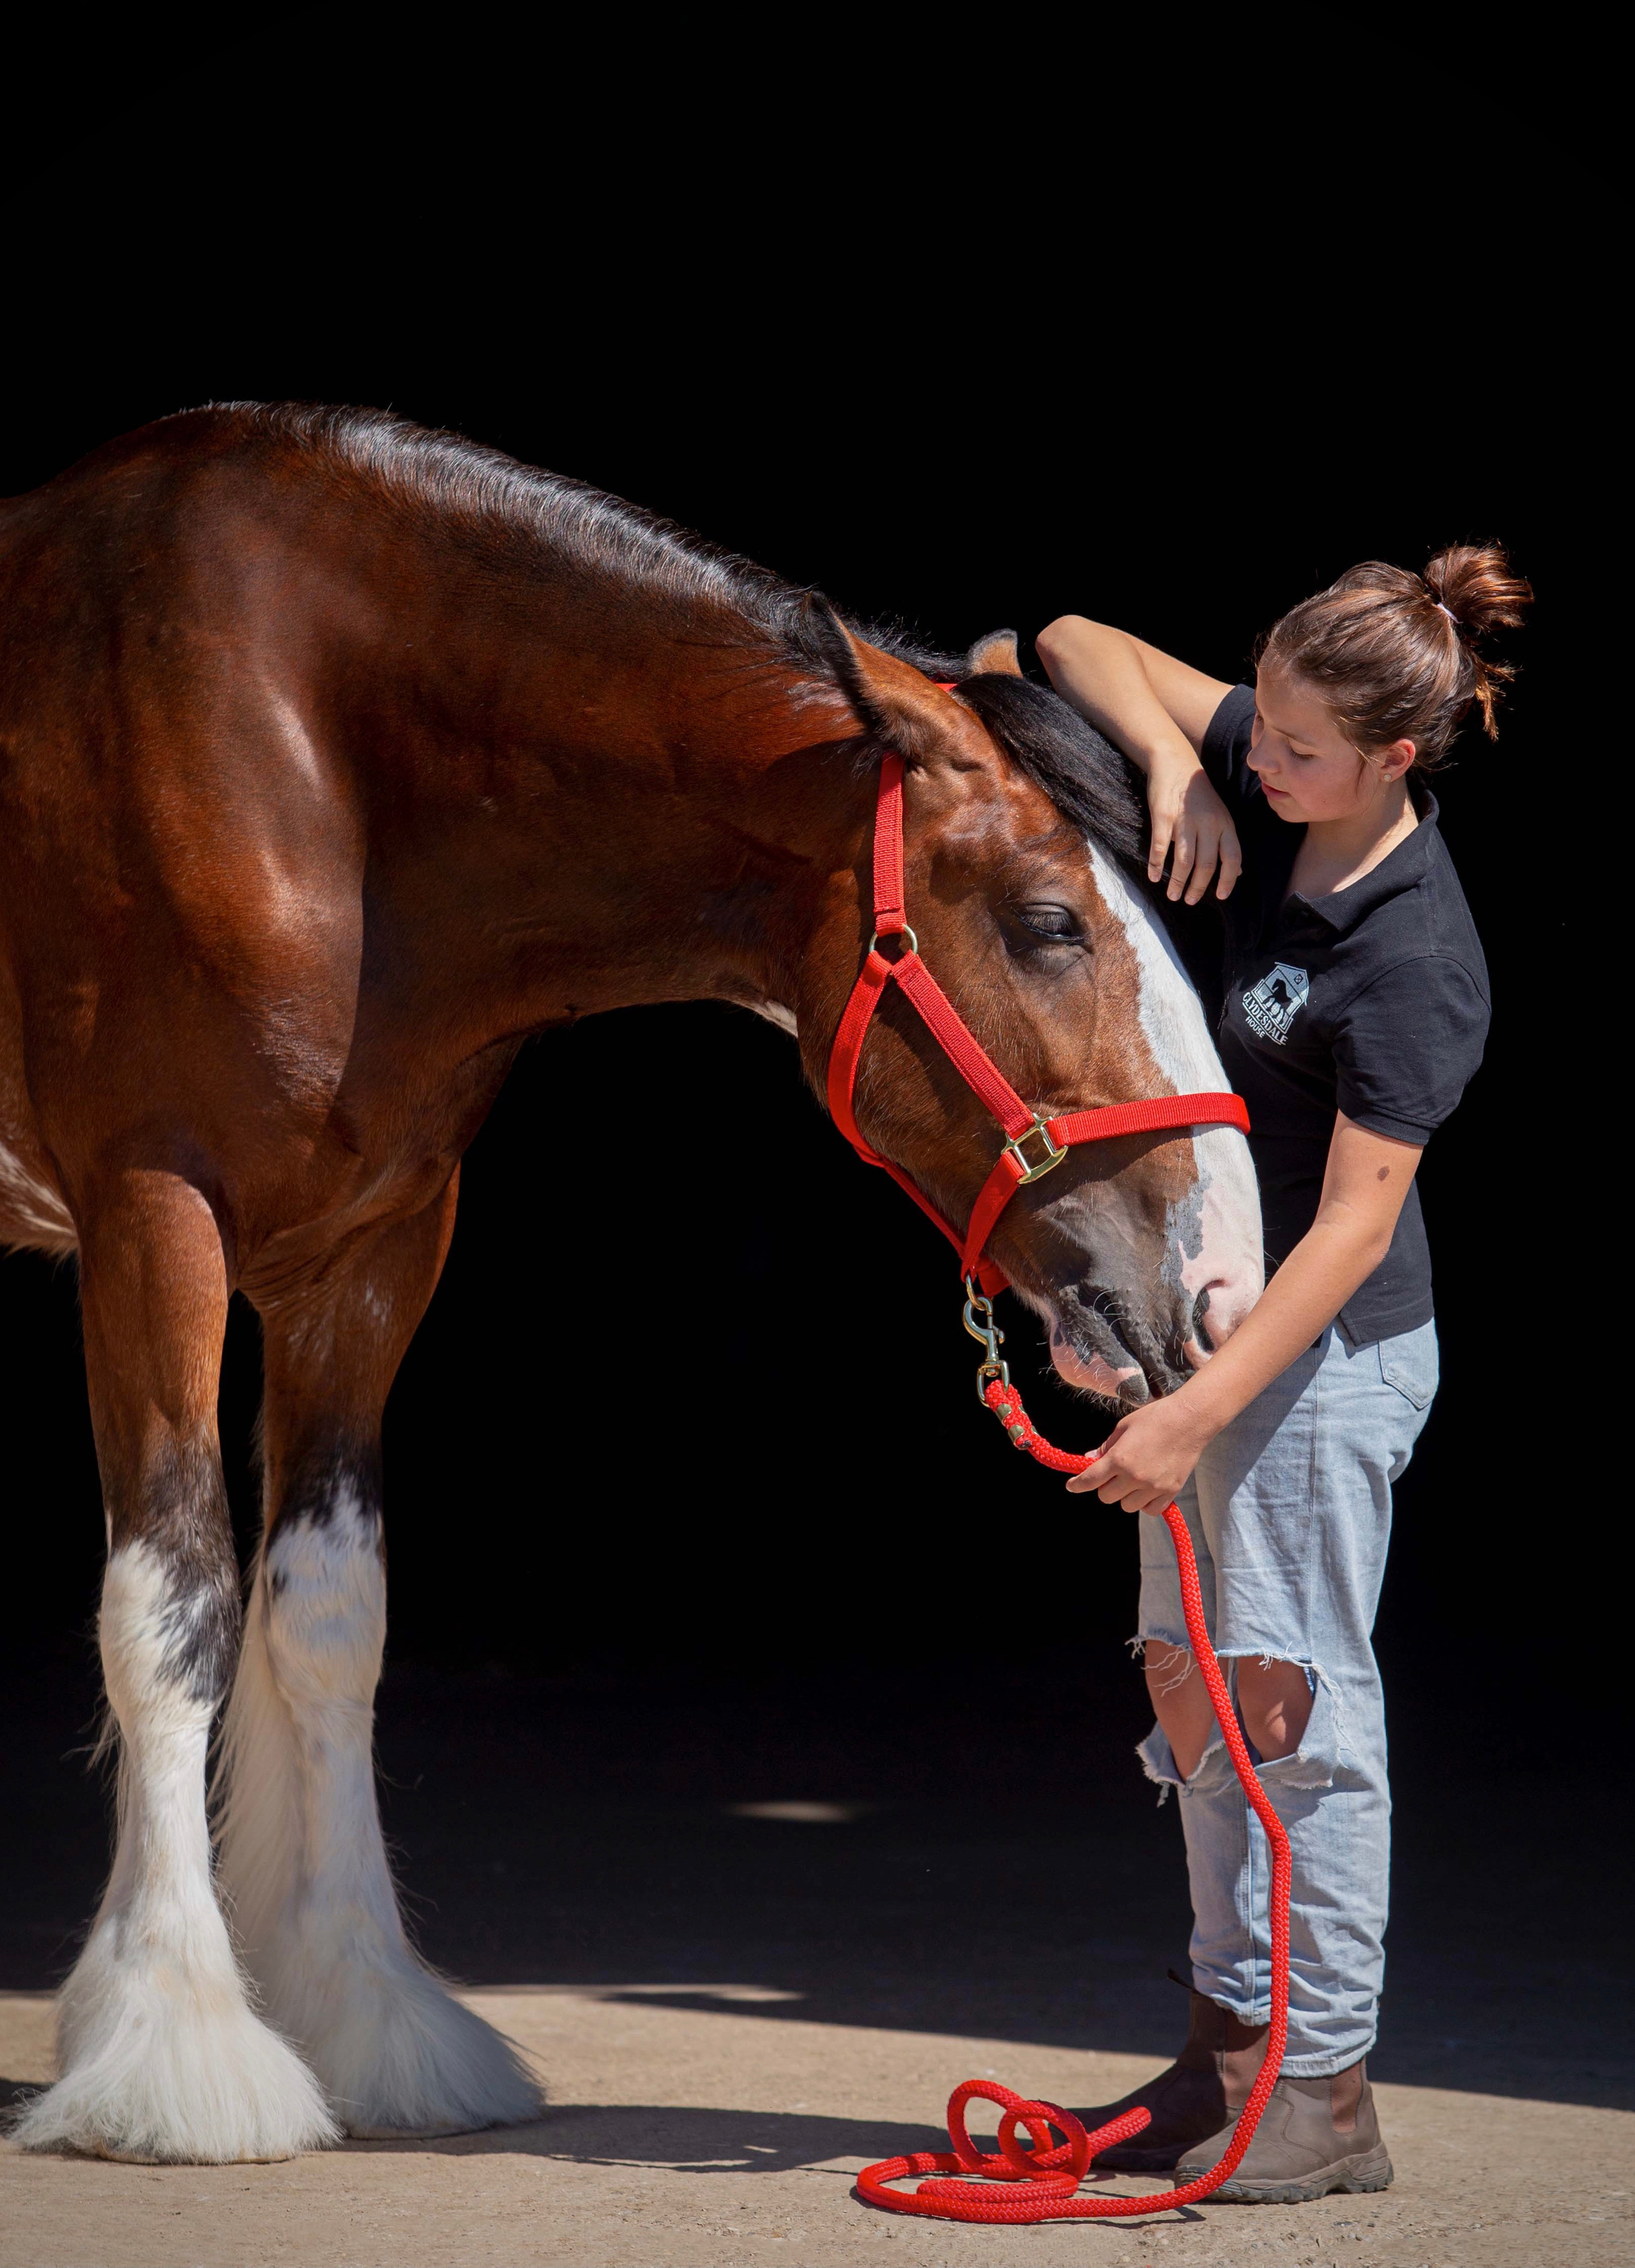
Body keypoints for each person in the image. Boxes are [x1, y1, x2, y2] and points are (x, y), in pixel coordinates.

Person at [1035, 544, 1530, 2203]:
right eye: (1261, 721)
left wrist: (1194, 1410)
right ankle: (1226, 2048)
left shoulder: (1416, 954)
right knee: (1193, 1694)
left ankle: (1326, 2088)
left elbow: (1351, 1230)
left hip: (1322, 1368)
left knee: (1299, 1718)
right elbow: (1074, 636)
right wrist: (1174, 758)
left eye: (1302, 751)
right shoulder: (1265, 747)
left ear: (1396, 758)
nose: (1267, 760)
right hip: (1217, 1346)